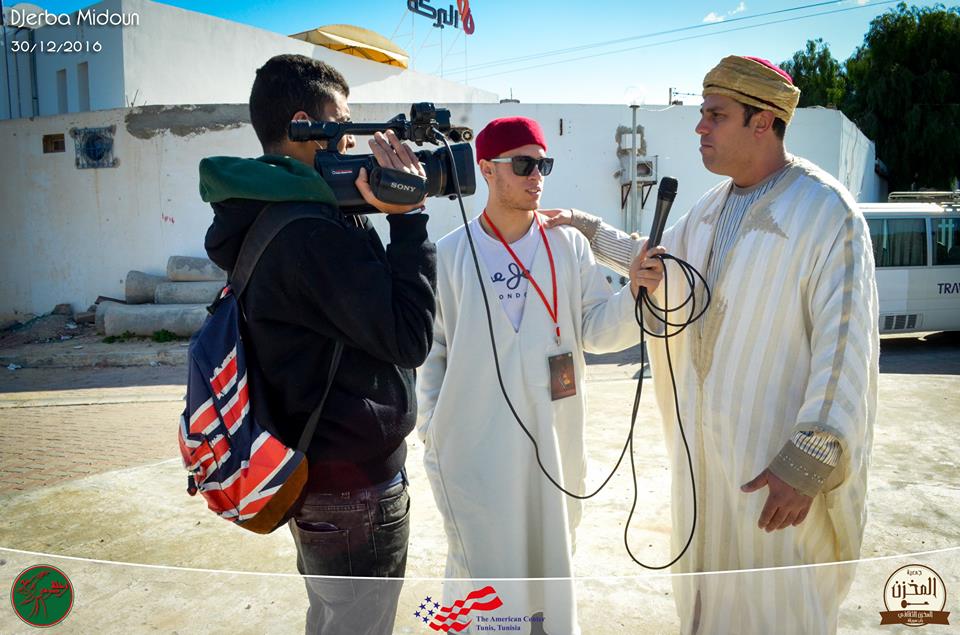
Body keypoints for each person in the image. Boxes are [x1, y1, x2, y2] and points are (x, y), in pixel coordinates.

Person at [546, 55, 878, 634]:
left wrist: (808, 462)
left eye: (715, 115)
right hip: (704, 464)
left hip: (775, 472)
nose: (700, 127)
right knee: (708, 607)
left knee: (778, 608)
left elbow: (846, 345)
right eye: (703, 114)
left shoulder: (829, 214)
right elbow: (661, 268)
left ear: (764, 121)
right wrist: (589, 231)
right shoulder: (706, 210)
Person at [199, 54, 436, 635]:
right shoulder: (311, 233)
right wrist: (410, 219)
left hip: (318, 481)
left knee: (334, 623)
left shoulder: (265, 214)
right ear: (306, 124)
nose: (352, 141)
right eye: (344, 123)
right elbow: (410, 336)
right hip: (353, 492)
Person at [416, 116, 665, 634]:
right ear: (486, 168)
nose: (537, 177)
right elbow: (430, 352)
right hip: (475, 450)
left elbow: (595, 329)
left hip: (554, 445)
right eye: (524, 164)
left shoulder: (568, 246)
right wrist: (433, 425)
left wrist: (634, 293)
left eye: (543, 164)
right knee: (482, 578)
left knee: (551, 570)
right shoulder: (449, 254)